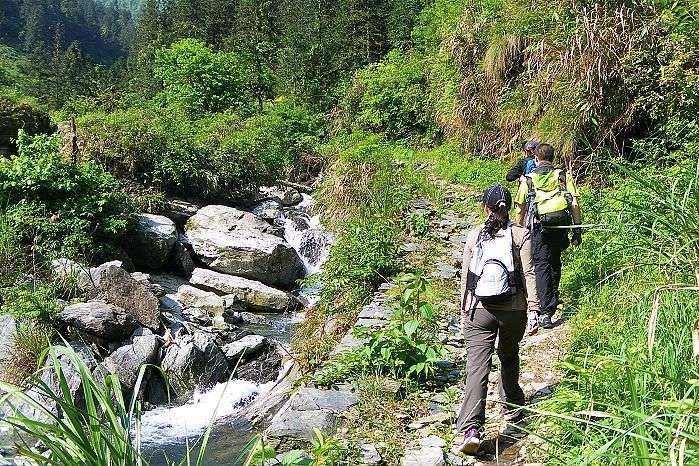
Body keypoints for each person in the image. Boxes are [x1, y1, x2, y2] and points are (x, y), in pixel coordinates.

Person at [452, 185, 539, 455]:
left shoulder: (475, 234)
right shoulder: (520, 234)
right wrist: (535, 308)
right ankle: (512, 405)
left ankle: (470, 429)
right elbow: (530, 273)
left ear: (485, 208)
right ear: (510, 207)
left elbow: (467, 275)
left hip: (480, 308)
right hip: (513, 309)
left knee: (477, 368)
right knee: (509, 354)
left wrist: (463, 305)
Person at [515, 144, 582, 331]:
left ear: (535, 158)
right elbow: (574, 204)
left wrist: (517, 232)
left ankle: (545, 311)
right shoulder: (562, 175)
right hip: (560, 225)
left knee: (541, 265)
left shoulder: (528, 180)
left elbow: (520, 209)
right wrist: (577, 230)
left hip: (539, 227)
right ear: (553, 158)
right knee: (555, 260)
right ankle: (552, 299)